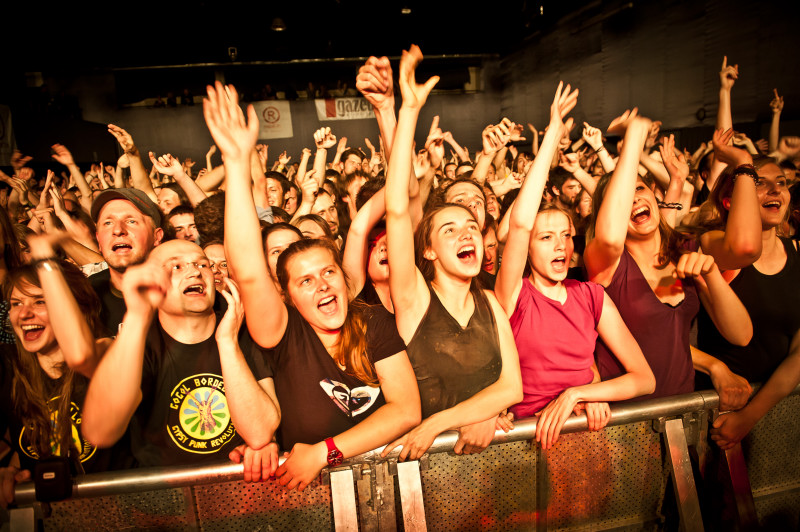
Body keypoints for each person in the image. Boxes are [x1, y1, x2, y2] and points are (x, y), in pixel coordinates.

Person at [205, 80, 420, 490]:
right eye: (305, 280)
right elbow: (248, 269)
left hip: (387, 488)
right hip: (311, 498)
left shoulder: (371, 321)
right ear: (285, 294)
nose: (322, 285)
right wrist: (236, 163)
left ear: (343, 275)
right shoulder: (282, 332)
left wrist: (325, 451)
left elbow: (406, 410)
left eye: (328, 272)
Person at [494, 82, 655, 449]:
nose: (560, 245)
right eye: (546, 237)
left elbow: (644, 379)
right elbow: (519, 222)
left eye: (566, 236)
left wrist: (583, 394)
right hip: (525, 445)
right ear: (528, 249)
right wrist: (553, 131)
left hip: (585, 445)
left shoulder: (591, 296)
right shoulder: (513, 295)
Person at [382, 46, 522, 461]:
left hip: (490, 459)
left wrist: (446, 421)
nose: (468, 234)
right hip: (425, 465)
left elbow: (512, 388)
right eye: (450, 229)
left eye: (471, 226)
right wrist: (407, 110)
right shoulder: (413, 298)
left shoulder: (491, 303)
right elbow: (396, 207)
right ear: (427, 249)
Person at [584, 110, 753, 406]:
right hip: (624, 424)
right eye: (624, 197)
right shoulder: (606, 264)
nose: (634, 199)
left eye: (640, 188)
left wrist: (711, 274)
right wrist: (634, 138)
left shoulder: (682, 255)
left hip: (681, 413)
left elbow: (740, 335)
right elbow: (610, 237)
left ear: (653, 195)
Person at [81, 239, 275, 467]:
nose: (194, 271)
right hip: (164, 497)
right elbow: (100, 431)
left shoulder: (240, 330)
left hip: (237, 492)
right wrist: (137, 315)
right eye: (176, 267)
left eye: (202, 265)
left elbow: (260, 433)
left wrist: (227, 342)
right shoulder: (139, 344)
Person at [0, 234, 132, 508]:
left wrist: (46, 261)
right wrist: (11, 471)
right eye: (15, 304)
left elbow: (82, 354)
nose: (23, 314)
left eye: (39, 301)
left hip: (123, 514)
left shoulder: (105, 351)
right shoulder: (13, 372)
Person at [692, 129, 800, 449]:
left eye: (781, 182)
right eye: (760, 182)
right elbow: (744, 248)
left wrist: (752, 415)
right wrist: (741, 160)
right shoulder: (714, 243)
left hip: (775, 408)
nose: (774, 189)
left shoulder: (797, 251)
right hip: (720, 412)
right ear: (731, 199)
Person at [89, 188, 164, 335]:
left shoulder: (180, 288)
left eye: (131, 221)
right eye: (108, 223)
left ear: (157, 237)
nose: (118, 230)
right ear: (98, 240)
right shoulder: (85, 293)